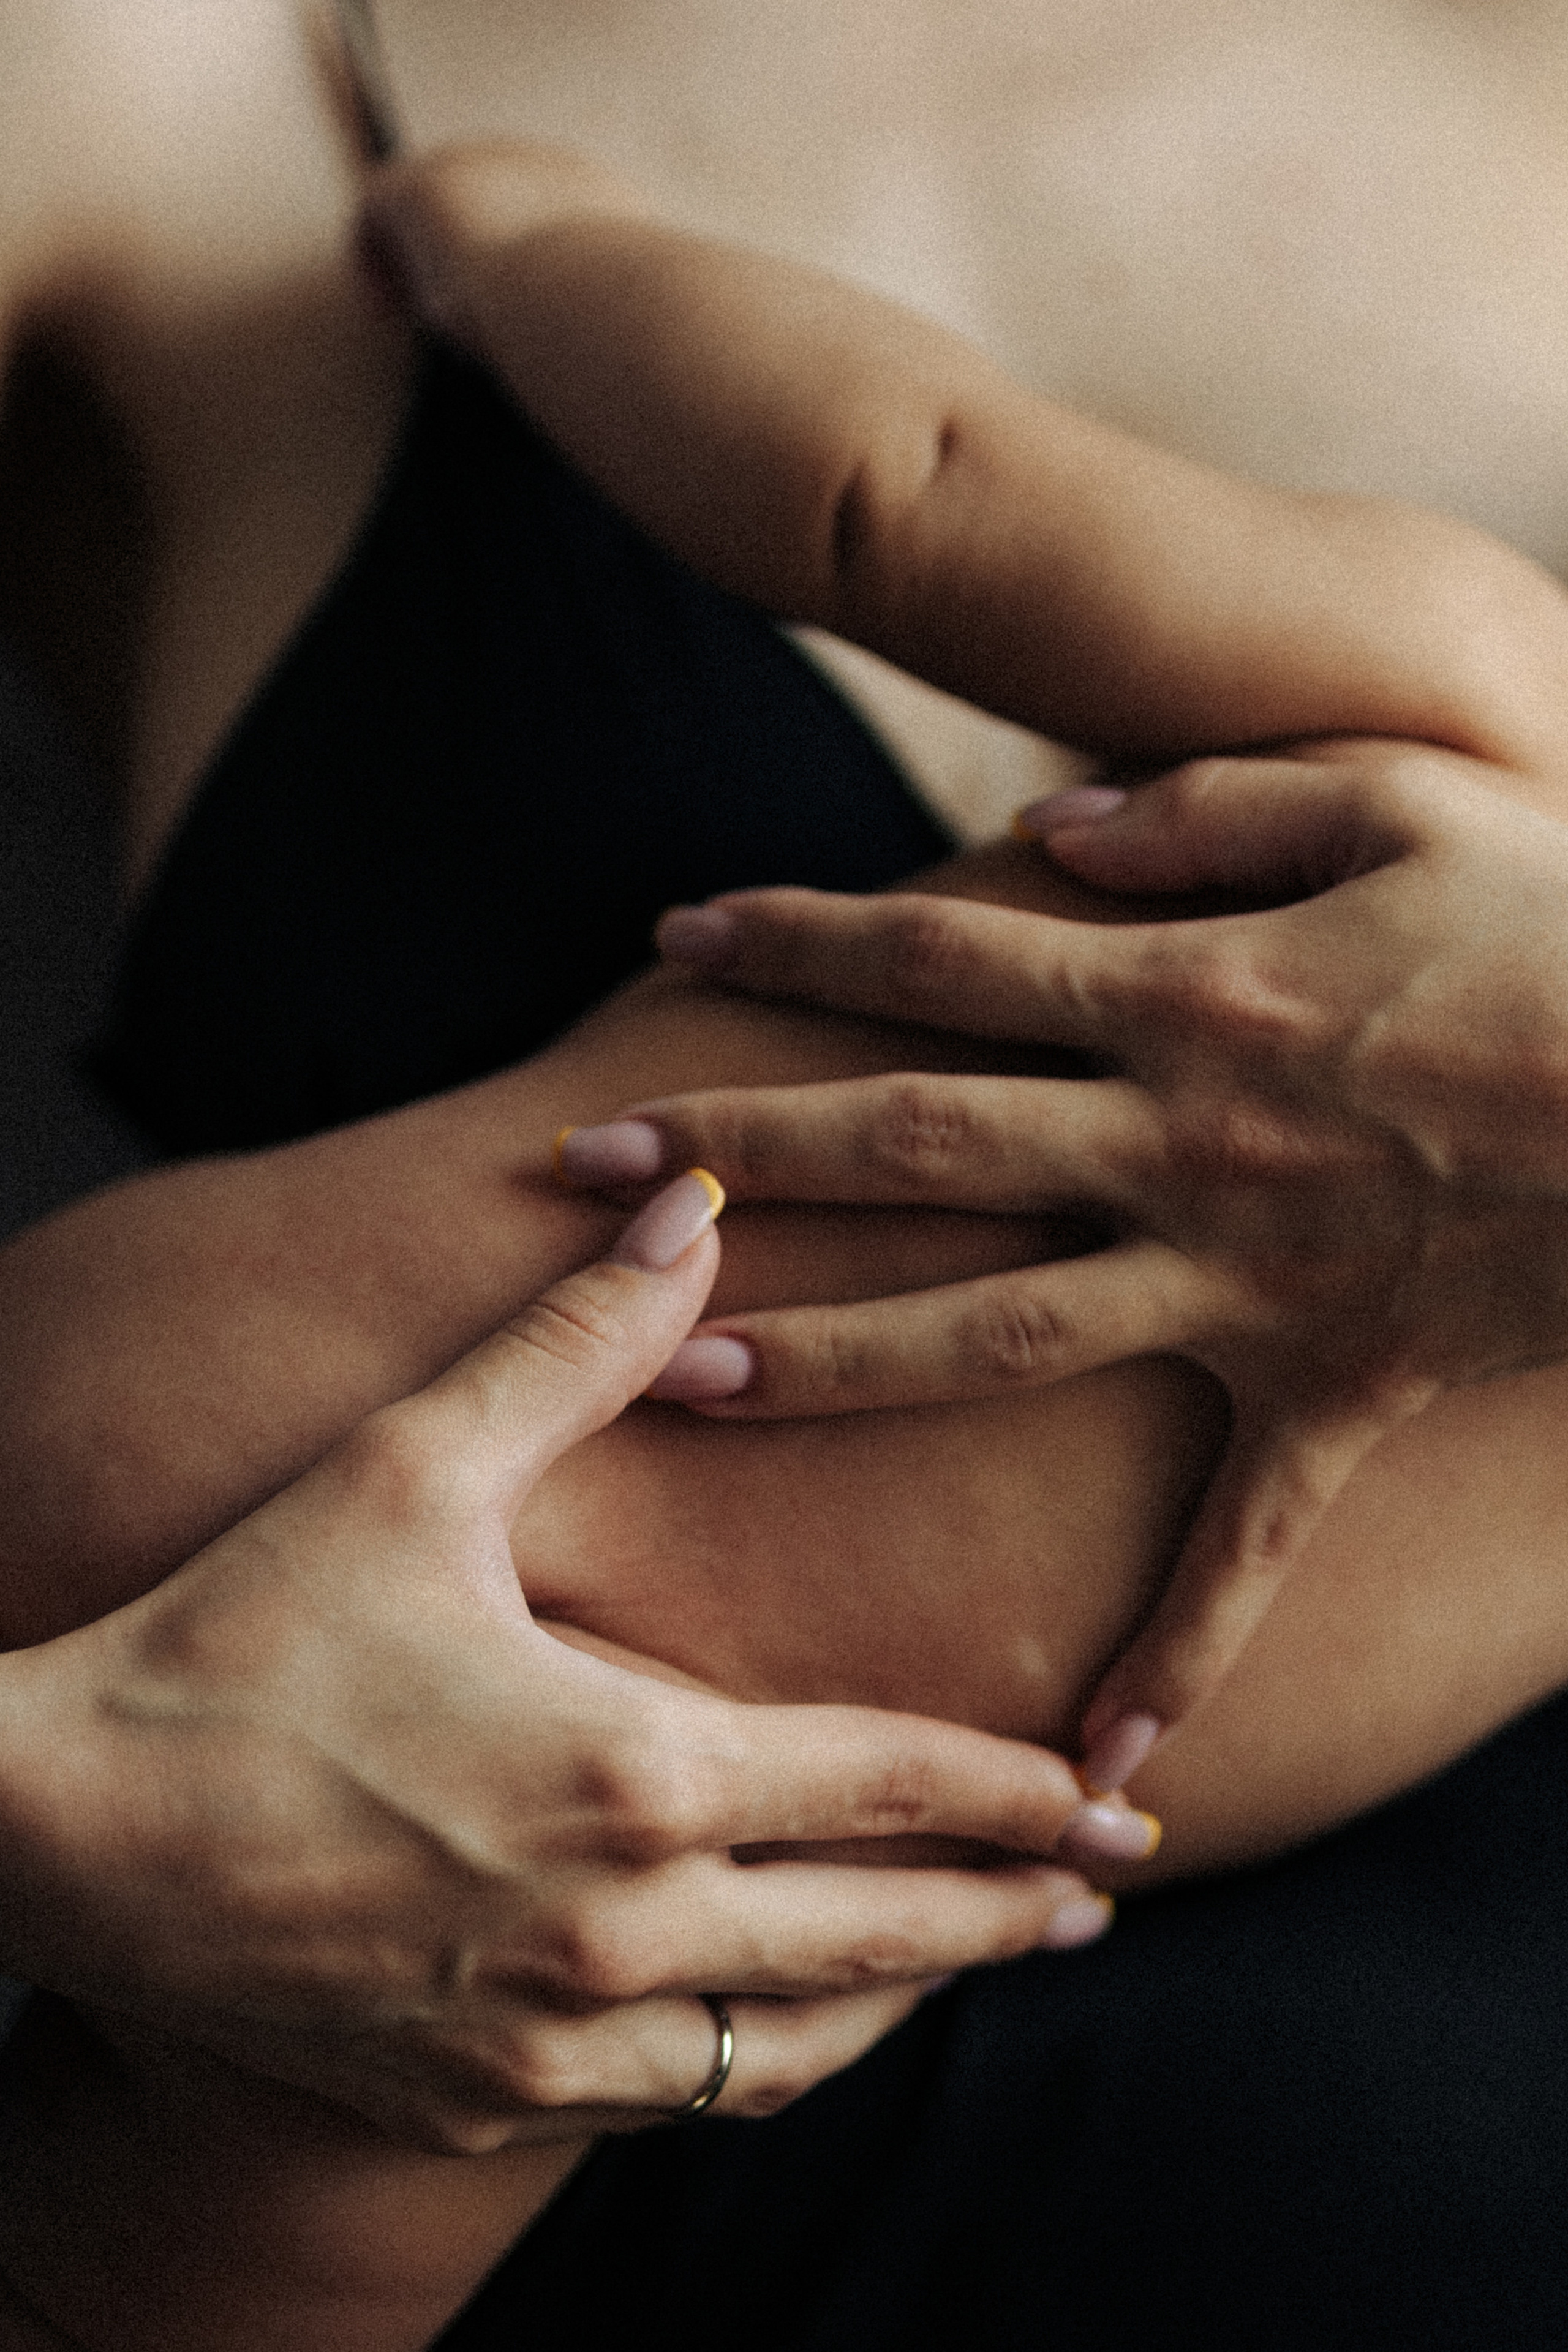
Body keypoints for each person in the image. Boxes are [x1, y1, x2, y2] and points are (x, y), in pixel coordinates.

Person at [7, 99, 1568, 2341]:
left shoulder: (1473, 692)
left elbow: (896, 481)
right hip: (681, 1855)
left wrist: (537, 244)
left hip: (326, 1398)